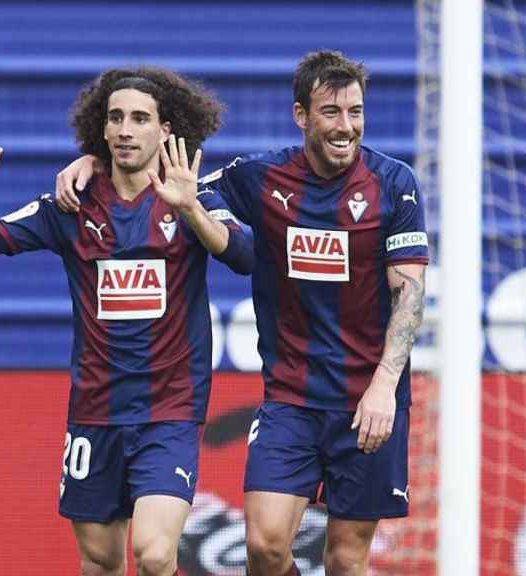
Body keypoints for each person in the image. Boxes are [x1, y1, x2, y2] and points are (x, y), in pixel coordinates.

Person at [55, 50, 428, 576]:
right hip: (291, 398)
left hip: (368, 398)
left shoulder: (395, 184)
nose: (347, 127)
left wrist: (385, 386)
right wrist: (95, 160)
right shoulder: (260, 176)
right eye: (332, 113)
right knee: (265, 545)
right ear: (302, 115)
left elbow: (409, 293)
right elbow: (178, 182)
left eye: (356, 113)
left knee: (346, 559)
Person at [0, 67, 253, 576]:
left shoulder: (193, 197)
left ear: (165, 130)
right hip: (95, 413)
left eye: (140, 118)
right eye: (115, 118)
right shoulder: (71, 205)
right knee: (100, 561)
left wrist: (192, 212)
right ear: (102, 128)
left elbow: (245, 255)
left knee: (156, 556)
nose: (125, 129)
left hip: (170, 411)